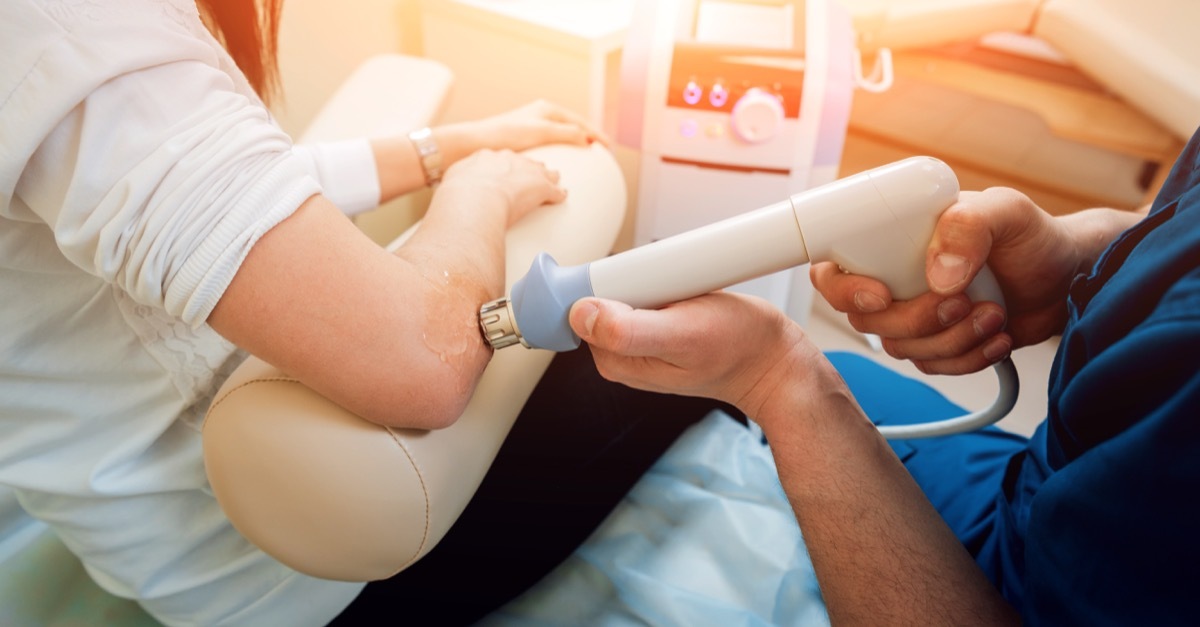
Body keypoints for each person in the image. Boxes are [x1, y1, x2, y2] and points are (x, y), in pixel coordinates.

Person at [0, 1, 742, 624]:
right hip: (302, 567)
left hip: (160, 541)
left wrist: (446, 148)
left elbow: (241, 192)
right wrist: (476, 191)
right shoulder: (67, 27)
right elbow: (425, 361)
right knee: (677, 335)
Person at [568, 129, 1200, 624]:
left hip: (1038, 576)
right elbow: (1172, 211)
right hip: (1050, 487)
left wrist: (779, 383)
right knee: (840, 371)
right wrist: (1079, 258)